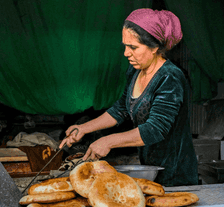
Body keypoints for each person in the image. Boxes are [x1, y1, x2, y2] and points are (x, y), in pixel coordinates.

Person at [59, 8, 198, 187]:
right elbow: (122, 109)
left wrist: (108, 141)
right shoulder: (135, 71)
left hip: (175, 175)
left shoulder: (170, 77)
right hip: (151, 169)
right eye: (125, 45)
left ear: (155, 47)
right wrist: (84, 128)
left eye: (133, 47)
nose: (126, 53)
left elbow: (155, 129)